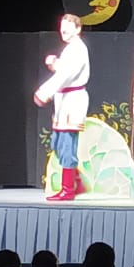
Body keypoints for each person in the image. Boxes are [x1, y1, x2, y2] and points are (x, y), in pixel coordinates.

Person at [35, 13, 90, 202]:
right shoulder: (70, 49)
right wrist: (55, 64)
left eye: (67, 27)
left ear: (78, 29)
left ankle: (68, 189)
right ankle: (76, 182)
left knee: (66, 144)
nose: (63, 31)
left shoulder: (78, 49)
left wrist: (45, 92)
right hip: (64, 100)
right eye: (61, 27)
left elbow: (67, 74)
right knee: (57, 144)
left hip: (72, 101)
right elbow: (66, 69)